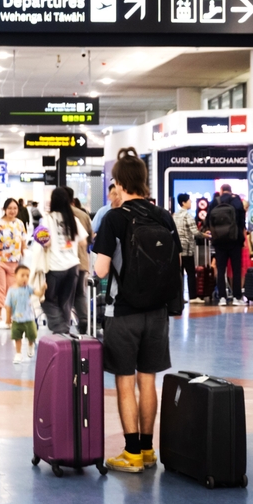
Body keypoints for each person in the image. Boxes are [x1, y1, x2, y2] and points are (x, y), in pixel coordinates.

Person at [93, 147, 181, 473]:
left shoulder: (114, 218)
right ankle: (147, 450)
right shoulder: (163, 216)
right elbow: (176, 264)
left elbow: (101, 270)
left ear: (118, 183)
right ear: (144, 181)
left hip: (123, 313)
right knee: (148, 381)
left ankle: (130, 453)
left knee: (124, 382)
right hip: (158, 313)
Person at [40, 187, 88, 334]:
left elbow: (44, 241)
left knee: (47, 300)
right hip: (73, 266)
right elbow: (84, 242)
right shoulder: (72, 219)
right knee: (65, 302)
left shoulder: (48, 219)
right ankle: (64, 335)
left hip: (55, 267)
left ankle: (60, 327)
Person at [0, 198, 27, 328]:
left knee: (13, 291)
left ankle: (10, 319)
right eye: (10, 208)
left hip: (14, 263)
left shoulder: (20, 224)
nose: (12, 211)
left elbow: (23, 242)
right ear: (4, 209)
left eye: (15, 208)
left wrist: (25, 256)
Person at [206, 184, 246, 306]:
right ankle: (237, 297)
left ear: (221, 191)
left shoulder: (215, 202)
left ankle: (222, 297)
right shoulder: (237, 201)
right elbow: (242, 222)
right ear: (231, 190)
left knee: (221, 268)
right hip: (235, 240)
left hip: (219, 241)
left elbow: (208, 220)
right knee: (236, 269)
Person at [65, 186, 94, 333]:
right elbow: (90, 237)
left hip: (63, 263)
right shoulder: (83, 215)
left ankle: (63, 325)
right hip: (81, 261)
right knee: (79, 293)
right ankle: (83, 320)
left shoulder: (57, 216)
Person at [173, 193, 205, 303]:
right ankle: (193, 297)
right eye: (189, 201)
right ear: (184, 203)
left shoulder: (175, 215)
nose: (191, 202)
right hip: (187, 248)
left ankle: (179, 297)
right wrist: (205, 235)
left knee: (179, 273)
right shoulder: (188, 215)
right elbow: (195, 232)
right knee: (191, 272)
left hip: (177, 249)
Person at [5, 265, 39, 363]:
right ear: (15, 276)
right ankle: (18, 354)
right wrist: (8, 318)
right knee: (17, 337)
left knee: (32, 334)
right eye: (22, 275)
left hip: (29, 318)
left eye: (27, 276)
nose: (25, 278)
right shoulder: (11, 291)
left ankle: (30, 344)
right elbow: (8, 306)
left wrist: (43, 289)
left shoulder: (28, 288)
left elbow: (38, 293)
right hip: (16, 319)